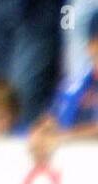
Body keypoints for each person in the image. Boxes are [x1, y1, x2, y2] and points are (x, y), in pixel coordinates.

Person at [29, 10, 98, 157]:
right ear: (91, 46)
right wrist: (41, 132)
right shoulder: (73, 85)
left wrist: (64, 137)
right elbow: (50, 120)